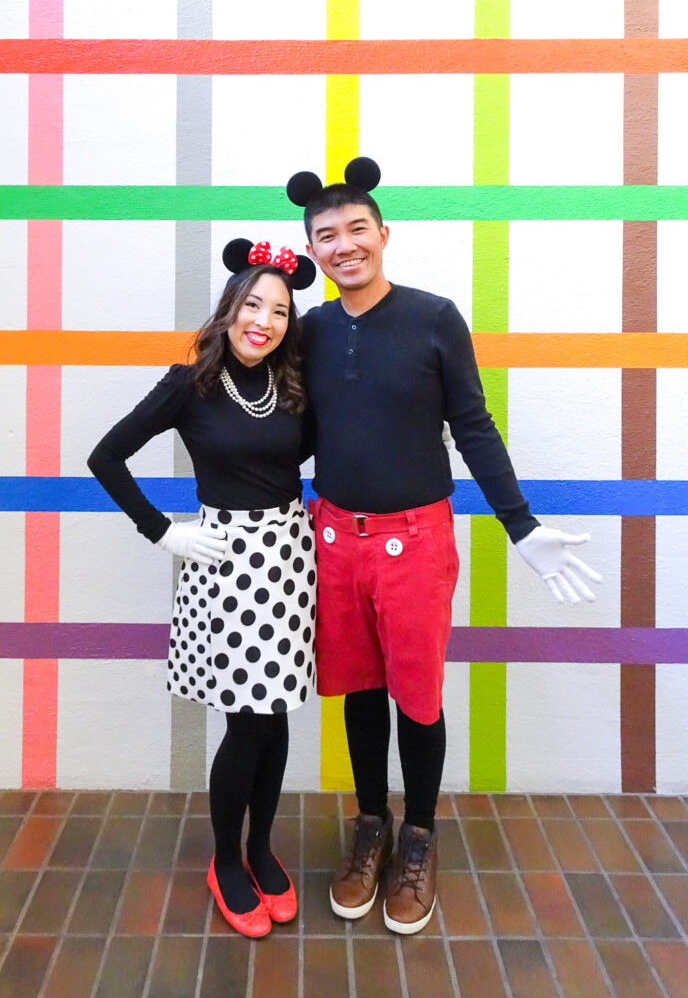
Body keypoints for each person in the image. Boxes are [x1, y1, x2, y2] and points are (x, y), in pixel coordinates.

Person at [286, 157, 602, 935]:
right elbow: (284, 429)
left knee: (416, 695)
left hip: (415, 542)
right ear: (314, 251)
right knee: (358, 688)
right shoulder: (312, 331)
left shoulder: (434, 317)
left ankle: (418, 835)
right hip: (334, 539)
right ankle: (371, 826)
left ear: (384, 235)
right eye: (327, 235)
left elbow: (474, 425)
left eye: (357, 228)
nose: (344, 244)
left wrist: (520, 524)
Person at [88, 238, 317, 938]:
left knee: (274, 714)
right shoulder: (189, 382)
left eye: (279, 311)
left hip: (289, 557)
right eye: (254, 304)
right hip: (224, 563)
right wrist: (162, 531)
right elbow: (106, 457)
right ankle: (225, 859)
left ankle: (258, 847)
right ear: (229, 309)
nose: (265, 321)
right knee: (246, 721)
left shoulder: (297, 385)